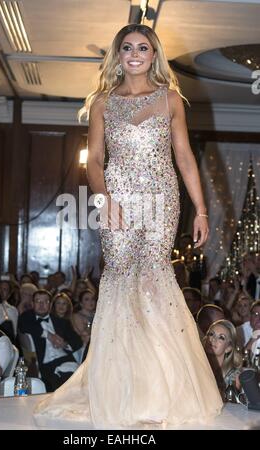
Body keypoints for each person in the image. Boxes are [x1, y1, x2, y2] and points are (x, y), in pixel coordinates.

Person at [34, 23, 222, 428]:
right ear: (117, 55)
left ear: (154, 54)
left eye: (143, 47)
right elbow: (95, 160)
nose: (135, 54)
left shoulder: (171, 99)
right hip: (117, 199)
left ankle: (159, 388)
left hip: (162, 197)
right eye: (127, 48)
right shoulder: (102, 102)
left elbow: (185, 157)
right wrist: (104, 199)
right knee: (120, 279)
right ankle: (120, 388)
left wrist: (202, 210)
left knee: (155, 281)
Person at [18, 289, 83, 392]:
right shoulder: (27, 317)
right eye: (38, 301)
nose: (41, 304)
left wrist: (65, 344)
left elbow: (77, 341)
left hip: (65, 359)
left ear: (50, 304)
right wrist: (49, 335)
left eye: (45, 301)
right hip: (45, 364)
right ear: (32, 303)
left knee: (74, 378)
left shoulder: (60, 321)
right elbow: (24, 325)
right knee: (66, 382)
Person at [203, 320, 242, 399]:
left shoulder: (234, 377)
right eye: (211, 334)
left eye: (221, 337)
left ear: (228, 348)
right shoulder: (196, 365)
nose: (213, 339)